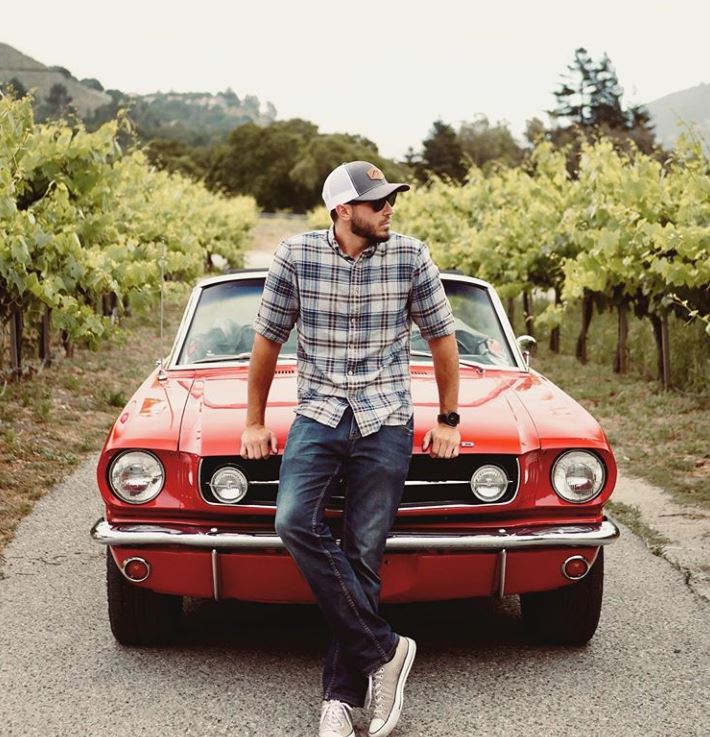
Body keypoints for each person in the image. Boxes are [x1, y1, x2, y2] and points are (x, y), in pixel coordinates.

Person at [240, 161, 460, 737]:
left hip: (386, 415)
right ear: (342, 210)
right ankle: (385, 651)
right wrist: (254, 420)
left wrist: (448, 418)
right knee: (292, 522)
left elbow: (442, 339)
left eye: (390, 200)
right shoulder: (295, 256)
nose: (389, 208)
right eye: (377, 202)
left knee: (364, 553)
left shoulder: (411, 256)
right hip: (317, 411)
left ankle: (339, 699)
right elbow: (267, 341)